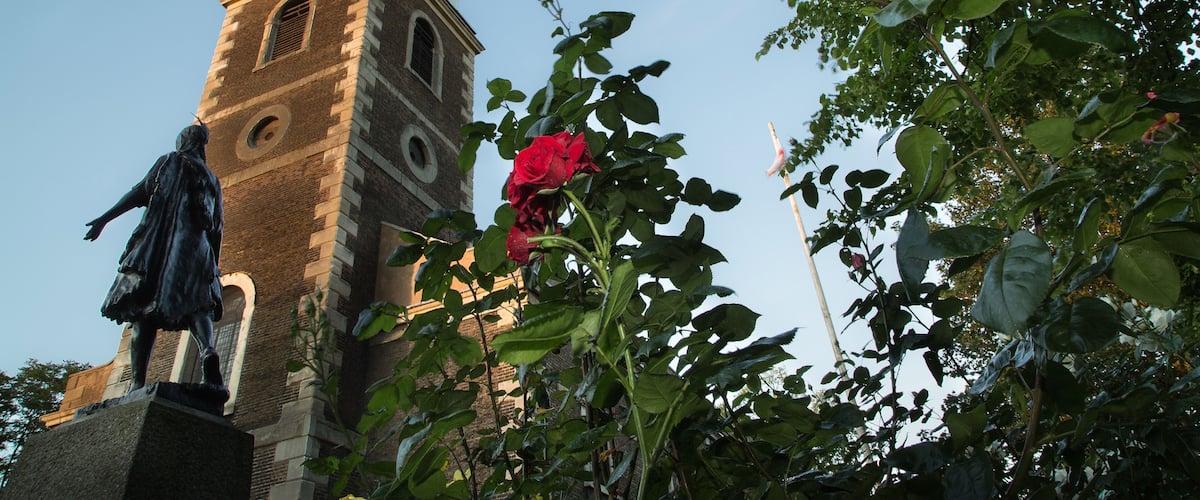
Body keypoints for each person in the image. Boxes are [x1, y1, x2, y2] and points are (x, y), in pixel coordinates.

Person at [84, 122, 225, 393]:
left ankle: (136, 383)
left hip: (164, 247)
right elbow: (217, 227)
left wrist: (104, 219)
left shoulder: (172, 162)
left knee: (143, 312)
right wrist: (213, 266)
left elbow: (140, 192)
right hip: (199, 251)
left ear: (183, 141)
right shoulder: (211, 178)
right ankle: (207, 350)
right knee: (199, 306)